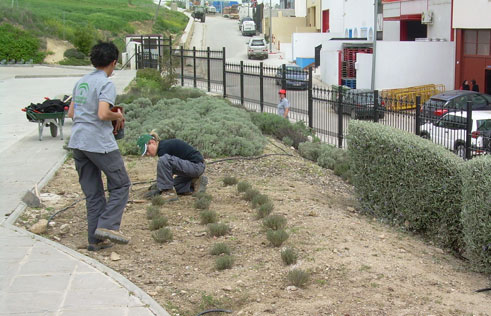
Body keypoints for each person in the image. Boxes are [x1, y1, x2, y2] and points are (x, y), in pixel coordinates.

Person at [67, 42, 131, 250]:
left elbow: (71, 113)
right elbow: (103, 113)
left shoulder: (82, 82)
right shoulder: (106, 84)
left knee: (93, 193)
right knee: (121, 184)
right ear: (113, 63)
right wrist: (117, 115)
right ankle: (108, 225)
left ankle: (95, 240)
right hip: (99, 142)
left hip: (78, 141)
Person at [137, 131, 207, 200]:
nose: (148, 154)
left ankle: (168, 193)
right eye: (146, 153)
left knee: (163, 160)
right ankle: (195, 182)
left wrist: (161, 188)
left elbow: (166, 170)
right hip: (192, 169)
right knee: (173, 185)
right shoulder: (163, 147)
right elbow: (168, 173)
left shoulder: (163, 148)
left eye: (147, 151)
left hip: (196, 166)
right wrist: (160, 186)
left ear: (152, 142)